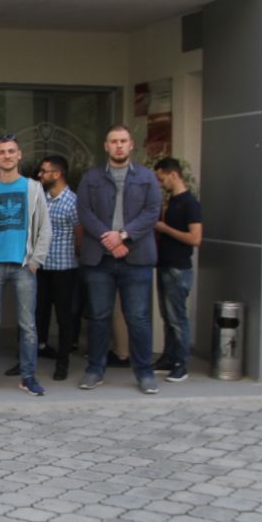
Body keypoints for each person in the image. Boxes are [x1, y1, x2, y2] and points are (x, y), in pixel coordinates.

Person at [77, 124, 162, 395]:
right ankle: (95, 369)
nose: (119, 146)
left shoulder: (148, 178)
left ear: (131, 144)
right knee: (99, 316)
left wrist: (123, 235)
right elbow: (84, 211)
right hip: (100, 259)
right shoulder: (90, 178)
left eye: (123, 141)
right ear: (106, 146)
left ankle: (144, 373)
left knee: (137, 318)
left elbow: (152, 212)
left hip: (136, 258)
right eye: (114, 141)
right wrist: (108, 237)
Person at [0, 134, 52, 396]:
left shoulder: (33, 188)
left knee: (28, 325)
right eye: (1, 152)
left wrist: (35, 261)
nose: (6, 156)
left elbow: (45, 229)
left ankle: (28, 376)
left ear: (19, 155)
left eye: (11, 151)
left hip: (24, 265)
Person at [153, 157, 202, 382]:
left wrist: (165, 228)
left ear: (173, 174)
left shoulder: (190, 203)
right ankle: (168, 357)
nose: (160, 183)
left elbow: (195, 238)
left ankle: (181, 363)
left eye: (161, 178)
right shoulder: (171, 201)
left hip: (178, 268)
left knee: (177, 318)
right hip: (165, 264)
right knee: (167, 315)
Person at [36, 155, 81, 382]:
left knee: (64, 316)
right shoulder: (41, 198)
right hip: (42, 265)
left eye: (44, 171)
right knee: (39, 312)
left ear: (57, 174)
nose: (40, 175)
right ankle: (35, 353)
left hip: (64, 267)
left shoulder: (72, 201)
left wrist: (77, 256)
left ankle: (63, 362)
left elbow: (79, 234)